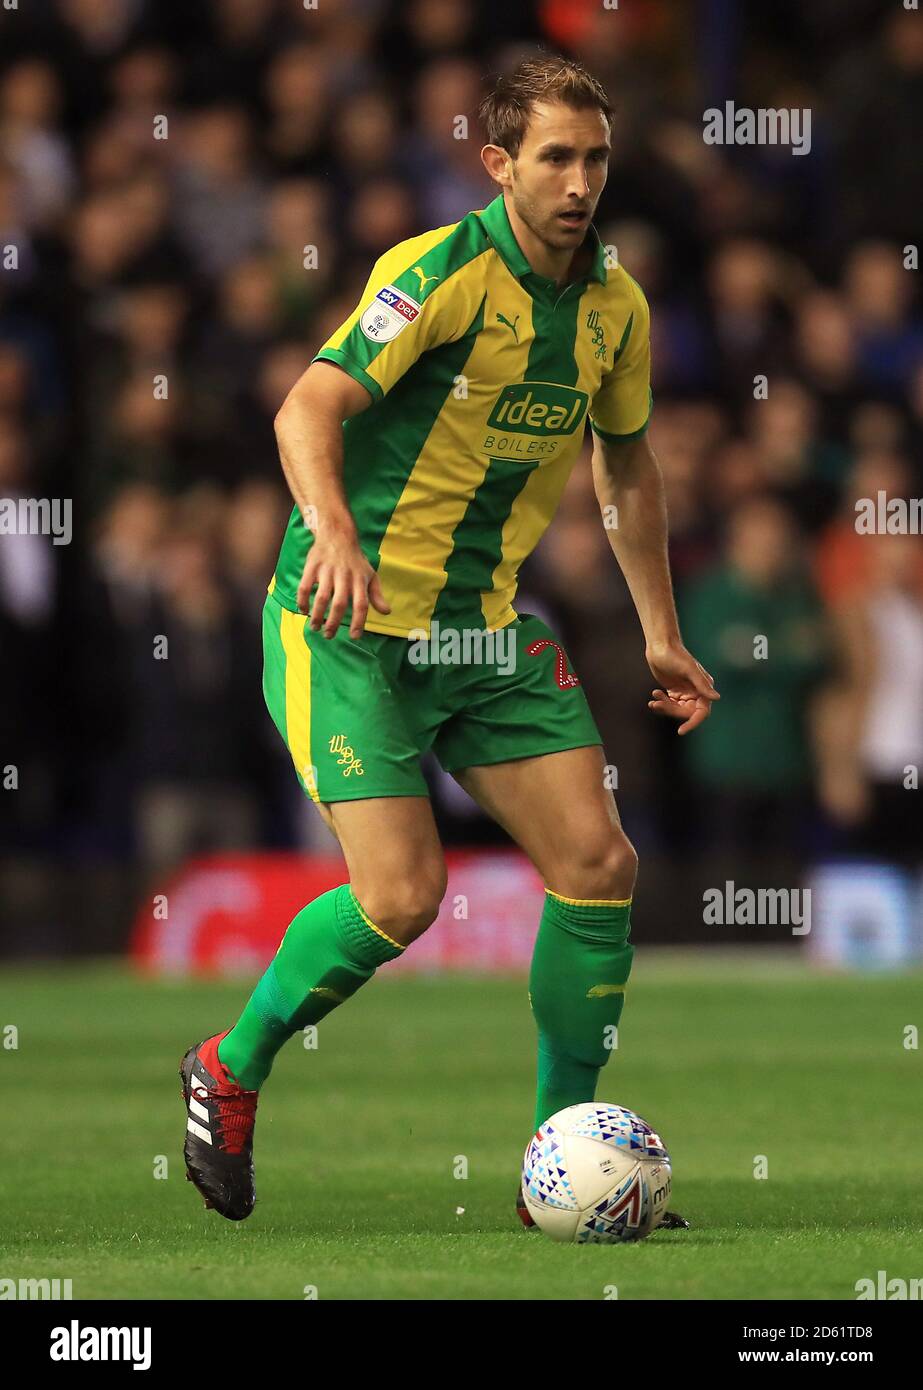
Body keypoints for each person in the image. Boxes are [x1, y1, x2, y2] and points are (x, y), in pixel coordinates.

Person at [179, 55, 718, 1230]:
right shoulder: (435, 271)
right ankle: (230, 1064)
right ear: (497, 164)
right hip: (346, 626)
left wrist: (660, 633)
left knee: (597, 864)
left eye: (594, 158)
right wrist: (329, 526)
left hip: (480, 635)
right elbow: (305, 406)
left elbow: (622, 464)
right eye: (553, 159)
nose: (579, 183)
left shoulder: (615, 308)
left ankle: (552, 1170)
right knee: (402, 895)